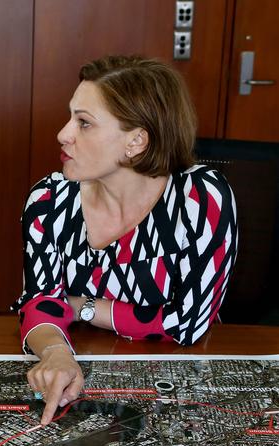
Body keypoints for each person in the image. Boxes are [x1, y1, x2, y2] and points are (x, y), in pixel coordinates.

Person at [13, 55, 237, 425]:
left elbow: (188, 323)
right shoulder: (49, 200)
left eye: (84, 123)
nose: (63, 133)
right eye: (71, 116)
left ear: (136, 141)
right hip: (86, 377)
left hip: (171, 387)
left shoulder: (200, 198)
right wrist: (55, 352)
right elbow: (38, 301)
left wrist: (78, 306)